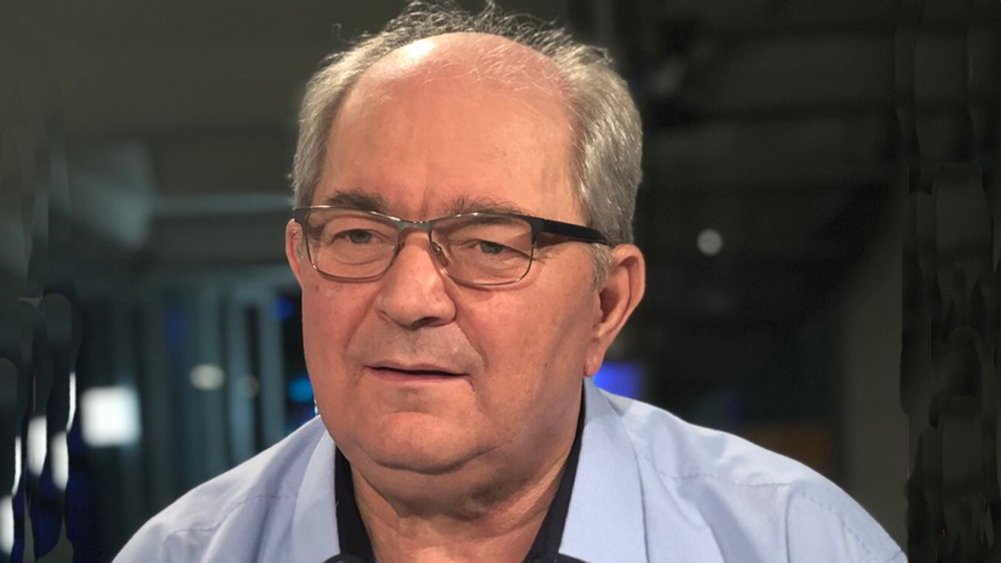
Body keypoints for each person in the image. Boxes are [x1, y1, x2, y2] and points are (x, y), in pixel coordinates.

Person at [115, 2, 905, 561]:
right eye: (358, 235)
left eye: (489, 245)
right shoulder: (180, 552)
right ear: (301, 256)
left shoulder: (792, 541)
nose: (408, 298)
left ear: (606, 304)